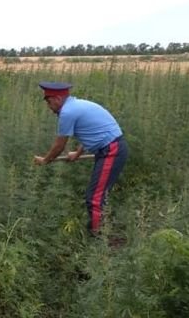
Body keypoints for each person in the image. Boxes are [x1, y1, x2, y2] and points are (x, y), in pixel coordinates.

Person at [34, 81, 128, 235]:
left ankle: (98, 239)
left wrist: (45, 160)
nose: (49, 108)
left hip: (112, 151)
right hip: (109, 148)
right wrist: (77, 154)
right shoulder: (77, 105)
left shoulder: (67, 112)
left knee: (95, 198)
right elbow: (92, 133)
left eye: (49, 102)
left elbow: (59, 145)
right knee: (97, 195)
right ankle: (99, 230)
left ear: (57, 99)